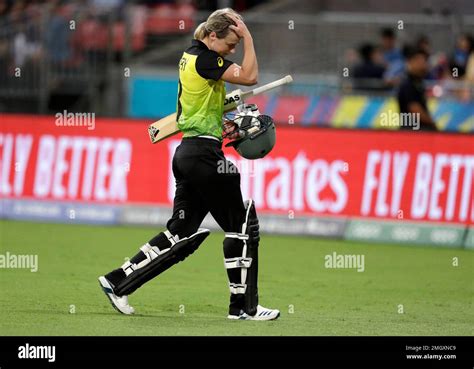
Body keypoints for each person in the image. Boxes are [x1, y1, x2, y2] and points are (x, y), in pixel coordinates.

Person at [99, 8, 280, 321]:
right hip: (204, 157)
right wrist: (249, 37)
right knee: (242, 226)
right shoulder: (207, 59)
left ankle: (118, 282)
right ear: (212, 36)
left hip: (188, 152)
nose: (233, 50)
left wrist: (219, 117)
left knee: (180, 233)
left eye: (237, 45)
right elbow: (250, 76)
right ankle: (244, 308)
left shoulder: (192, 56)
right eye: (230, 44)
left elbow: (202, 103)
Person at [397, 45, 437, 131]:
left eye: (424, 61)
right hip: (413, 133)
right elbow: (415, 109)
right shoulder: (407, 85)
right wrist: (432, 123)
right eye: (419, 61)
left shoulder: (419, 83)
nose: (423, 65)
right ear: (410, 62)